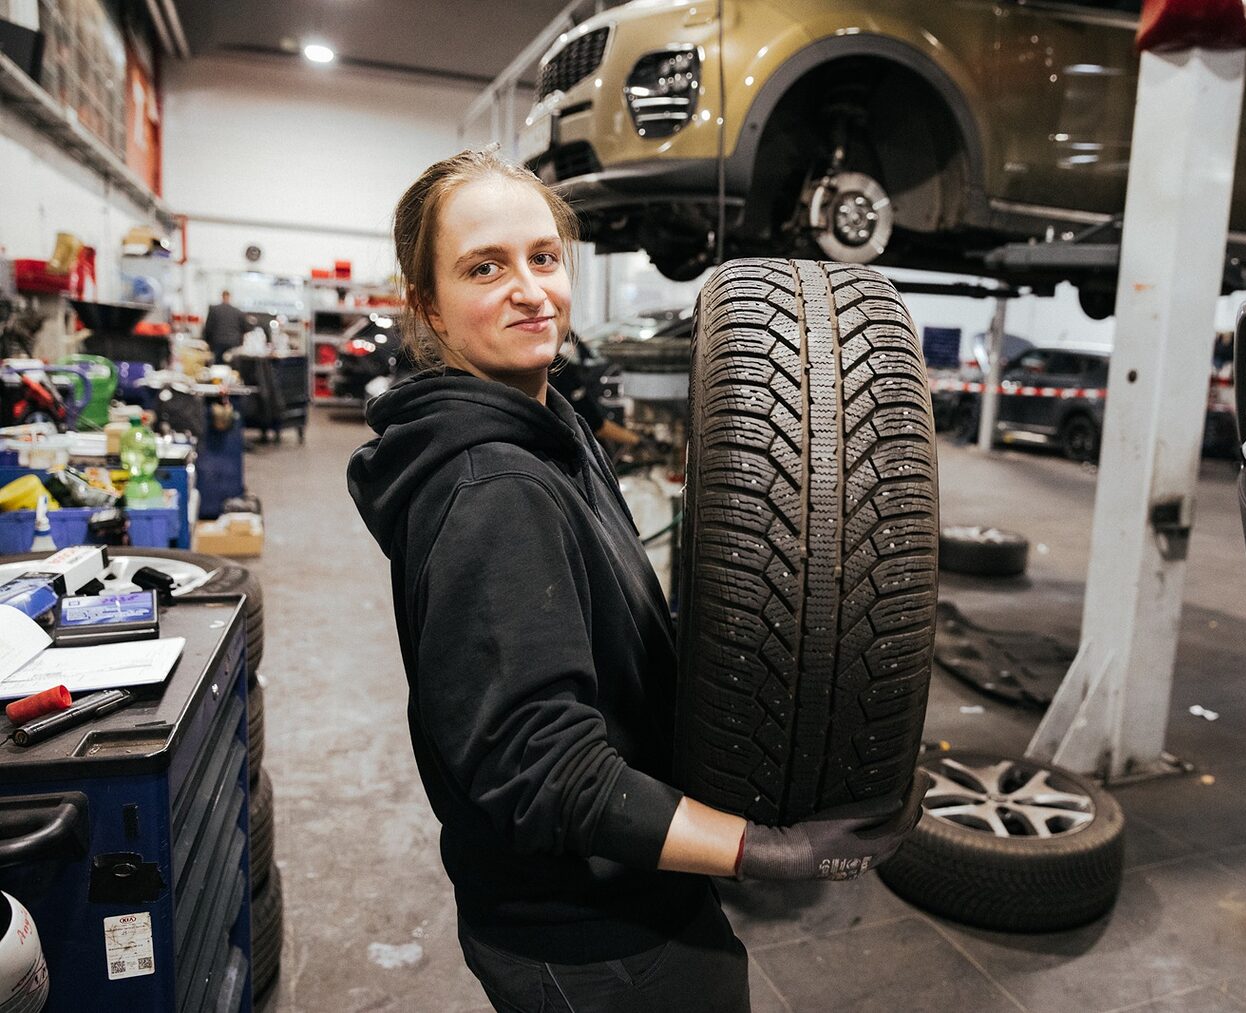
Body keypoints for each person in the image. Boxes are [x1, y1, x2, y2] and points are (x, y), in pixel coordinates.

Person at [347, 148, 927, 1013]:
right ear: (428, 304)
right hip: (590, 939)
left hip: (632, 896)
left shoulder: (555, 431)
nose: (530, 290)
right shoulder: (494, 491)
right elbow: (543, 772)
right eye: (485, 268)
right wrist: (767, 850)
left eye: (543, 257)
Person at [202, 290, 244, 362]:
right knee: (232, 363)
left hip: (217, 342)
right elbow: (243, 328)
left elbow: (208, 328)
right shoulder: (237, 311)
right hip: (233, 343)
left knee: (218, 363)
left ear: (222, 296)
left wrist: (207, 341)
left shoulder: (214, 310)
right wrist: (240, 342)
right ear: (229, 297)